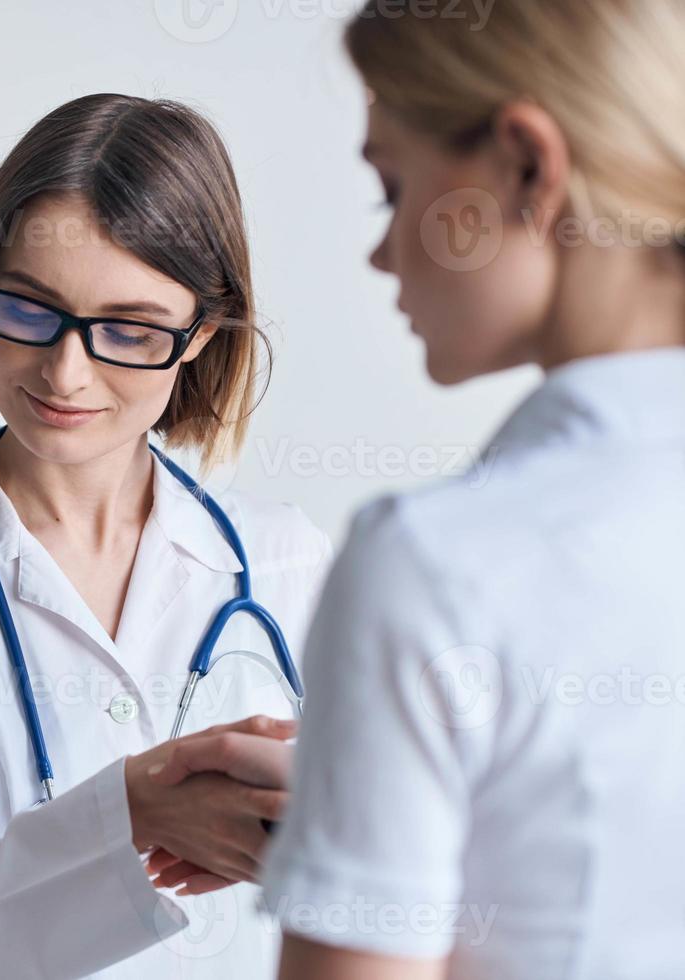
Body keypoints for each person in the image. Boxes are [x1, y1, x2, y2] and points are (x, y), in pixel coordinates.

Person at [148, 2, 685, 977]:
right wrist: (369, 785)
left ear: (525, 164)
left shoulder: (433, 560)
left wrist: (359, 831)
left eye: (387, 190)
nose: (381, 249)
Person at [0, 93, 333, 977]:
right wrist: (127, 814)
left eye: (130, 329)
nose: (64, 371)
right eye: (28, 308)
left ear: (198, 335)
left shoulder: (285, 560)